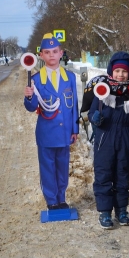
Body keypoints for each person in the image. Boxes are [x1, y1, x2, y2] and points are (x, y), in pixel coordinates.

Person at [88, 52, 129, 229]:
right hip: (105, 138)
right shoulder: (101, 90)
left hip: (126, 138)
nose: (121, 74)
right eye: (117, 70)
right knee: (103, 175)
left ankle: (121, 210)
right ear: (111, 71)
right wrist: (94, 118)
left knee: (122, 176)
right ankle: (105, 213)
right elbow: (90, 113)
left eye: (124, 71)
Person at [23, 33, 79, 210]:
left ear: (61, 53)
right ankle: (51, 201)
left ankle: (61, 198)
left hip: (64, 132)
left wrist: (75, 129)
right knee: (47, 168)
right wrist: (29, 97)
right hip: (46, 133)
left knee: (62, 168)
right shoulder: (36, 79)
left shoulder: (69, 77)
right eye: (47, 52)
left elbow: (74, 105)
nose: (52, 55)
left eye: (55, 51)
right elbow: (31, 108)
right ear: (41, 55)